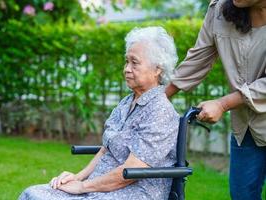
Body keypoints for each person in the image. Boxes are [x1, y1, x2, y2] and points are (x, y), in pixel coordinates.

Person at [19, 26, 180, 200]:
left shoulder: (160, 111)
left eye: (134, 62)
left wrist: (82, 186)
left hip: (135, 192)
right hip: (101, 186)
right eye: (126, 62)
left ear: (157, 69)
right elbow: (105, 151)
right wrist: (77, 177)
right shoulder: (126, 103)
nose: (126, 68)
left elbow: (134, 170)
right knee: (34, 193)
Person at [166, 0, 266, 199]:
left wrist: (222, 104)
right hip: (246, 129)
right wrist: (156, 98)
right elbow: (198, 58)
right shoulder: (220, 11)